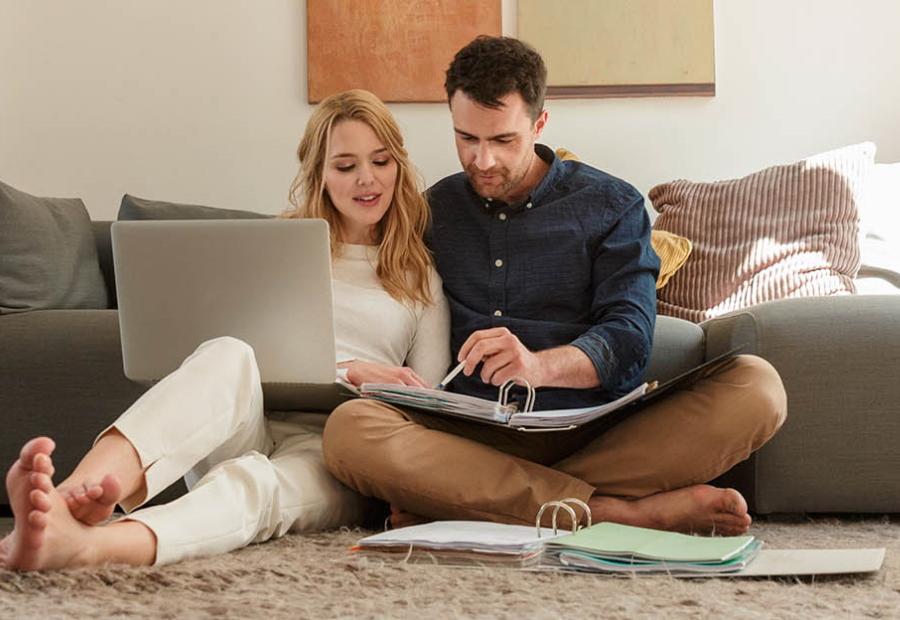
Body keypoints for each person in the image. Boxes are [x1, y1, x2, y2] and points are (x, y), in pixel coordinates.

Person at [321, 36, 787, 536]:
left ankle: (465, 503)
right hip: (470, 439)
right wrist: (346, 367)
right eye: (466, 139)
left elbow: (629, 339)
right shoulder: (434, 211)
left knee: (758, 388)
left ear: (540, 123)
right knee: (349, 431)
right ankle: (618, 513)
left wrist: (538, 365)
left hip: (593, 432)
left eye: (503, 141)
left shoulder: (611, 205)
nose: (482, 161)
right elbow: (368, 284)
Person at [0, 89, 450, 571]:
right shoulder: (277, 248)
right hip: (244, 418)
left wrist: (380, 397)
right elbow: (236, 361)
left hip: (338, 450)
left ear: (399, 165)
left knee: (255, 484)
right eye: (345, 166)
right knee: (228, 352)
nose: (367, 179)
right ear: (318, 174)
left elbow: (432, 402)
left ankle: (88, 546)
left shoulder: (419, 276)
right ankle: (77, 494)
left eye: (381, 161)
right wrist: (347, 367)